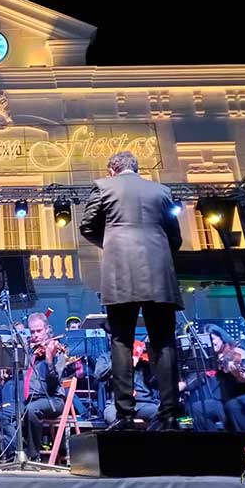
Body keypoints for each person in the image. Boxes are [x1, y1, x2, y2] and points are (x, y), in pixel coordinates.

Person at [80, 151, 183, 431]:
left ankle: (125, 415)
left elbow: (87, 226)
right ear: (136, 169)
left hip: (120, 271)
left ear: (112, 169)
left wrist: (112, 244)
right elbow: (176, 237)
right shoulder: (161, 190)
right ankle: (171, 415)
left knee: (122, 340)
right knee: (164, 342)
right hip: (159, 272)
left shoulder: (103, 186)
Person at [0, 312, 68, 462]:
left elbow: (53, 382)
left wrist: (49, 360)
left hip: (52, 400)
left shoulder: (56, 351)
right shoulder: (29, 351)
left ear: (47, 330)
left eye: (39, 331)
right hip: (29, 401)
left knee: (32, 410)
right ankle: (16, 452)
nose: (36, 335)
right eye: (32, 332)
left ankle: (33, 455)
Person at [95, 341, 160, 426]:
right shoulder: (107, 357)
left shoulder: (142, 355)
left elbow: (157, 382)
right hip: (117, 404)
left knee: (159, 415)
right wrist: (120, 360)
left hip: (144, 403)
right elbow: (99, 374)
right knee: (110, 415)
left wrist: (152, 361)